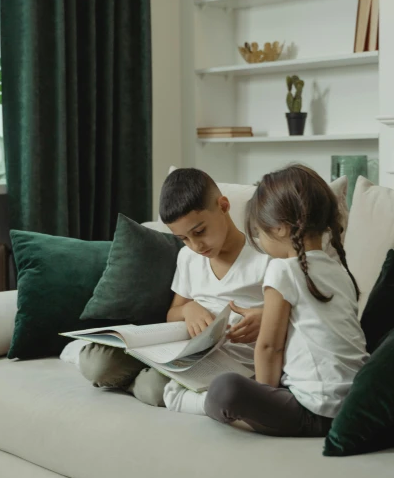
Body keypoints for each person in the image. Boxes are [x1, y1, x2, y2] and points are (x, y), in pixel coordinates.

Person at [74, 168, 269, 414]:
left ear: (223, 205)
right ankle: (144, 375)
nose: (196, 245)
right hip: (182, 350)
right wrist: (189, 309)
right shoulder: (188, 257)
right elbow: (173, 313)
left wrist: (268, 318)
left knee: (153, 388)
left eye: (199, 232)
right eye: (183, 238)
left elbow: (302, 312)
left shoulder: (266, 256)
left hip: (228, 362)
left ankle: (143, 381)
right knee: (96, 363)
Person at [204, 164, 369, 436]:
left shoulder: (282, 270)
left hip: (314, 412)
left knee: (224, 390)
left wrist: (264, 392)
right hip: (355, 403)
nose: (258, 238)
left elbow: (269, 347)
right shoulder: (340, 272)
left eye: (258, 231)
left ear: (280, 229)